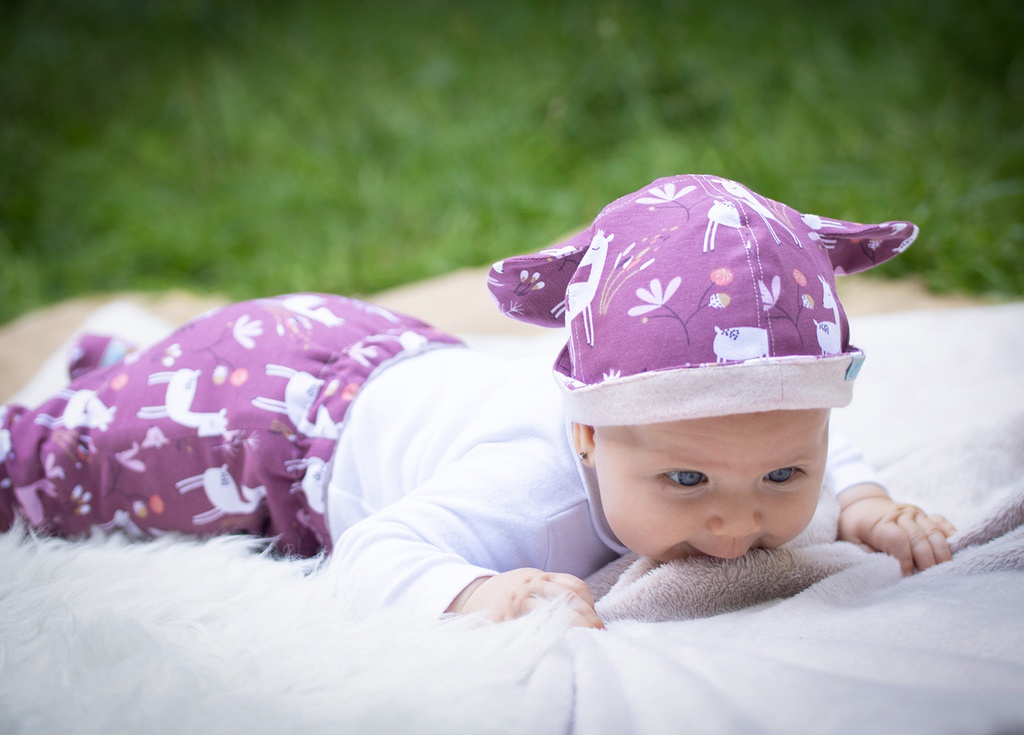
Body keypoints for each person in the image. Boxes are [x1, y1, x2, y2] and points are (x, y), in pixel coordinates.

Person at [0, 174, 955, 629]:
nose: (737, 519)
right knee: (58, 466)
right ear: (586, 430)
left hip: (391, 359)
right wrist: (480, 591)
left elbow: (799, 453)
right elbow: (376, 552)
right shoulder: (531, 493)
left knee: (133, 387)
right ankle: (97, 397)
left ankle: (119, 368)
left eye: (786, 474)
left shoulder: (741, 447)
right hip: (268, 419)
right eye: (688, 478)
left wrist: (864, 503)